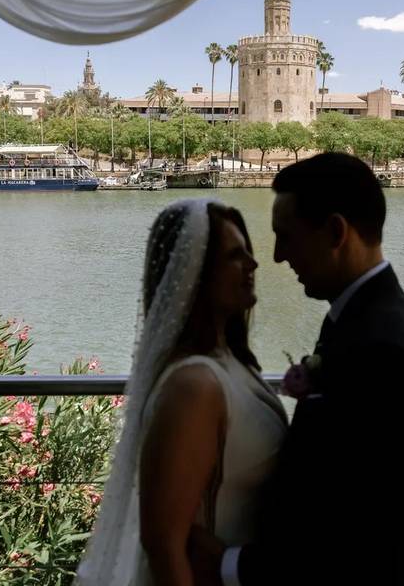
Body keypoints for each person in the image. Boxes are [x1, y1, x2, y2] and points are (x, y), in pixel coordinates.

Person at [189, 152, 404, 585]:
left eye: (286, 237)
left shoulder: (381, 349)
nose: (277, 257)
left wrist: (227, 565)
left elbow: (359, 532)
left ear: (336, 232)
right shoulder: (360, 316)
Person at [75, 199, 288, 586]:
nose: (253, 266)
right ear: (197, 273)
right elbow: (165, 545)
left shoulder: (231, 365)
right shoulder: (194, 387)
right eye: (235, 256)